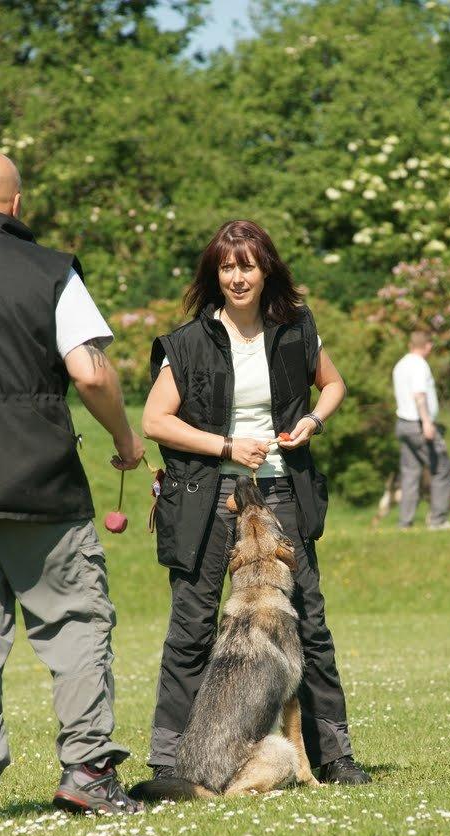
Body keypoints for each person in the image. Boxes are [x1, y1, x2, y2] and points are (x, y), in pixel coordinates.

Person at [0, 151, 145, 822]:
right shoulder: (50, 268)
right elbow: (88, 371)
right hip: (40, 483)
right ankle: (87, 771)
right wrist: (124, 439)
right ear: (18, 206)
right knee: (76, 623)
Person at [140, 220, 371, 787]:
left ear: (266, 270)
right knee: (192, 630)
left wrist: (312, 420)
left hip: (282, 490)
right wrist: (224, 446)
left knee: (309, 624)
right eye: (227, 266)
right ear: (214, 274)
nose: (237, 277)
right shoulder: (189, 341)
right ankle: (171, 764)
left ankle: (333, 754)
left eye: (247, 265)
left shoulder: (296, 331)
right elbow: (154, 421)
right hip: (207, 497)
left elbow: (334, 385)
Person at [392, 330, 450, 531]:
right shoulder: (420, 365)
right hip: (418, 424)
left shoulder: (401, 364)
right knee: (442, 469)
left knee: (411, 473)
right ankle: (438, 521)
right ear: (427, 345)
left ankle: (405, 523)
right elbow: (419, 395)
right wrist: (428, 423)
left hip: (403, 424)